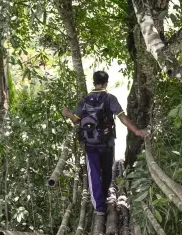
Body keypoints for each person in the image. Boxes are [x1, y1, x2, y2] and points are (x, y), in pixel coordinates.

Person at [62, 71, 149, 215]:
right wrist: (137, 131)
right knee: (108, 171)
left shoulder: (84, 100)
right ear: (106, 83)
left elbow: (76, 119)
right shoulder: (110, 99)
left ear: (93, 82)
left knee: (94, 174)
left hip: (90, 145)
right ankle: (104, 196)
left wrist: (67, 113)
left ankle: (100, 207)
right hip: (107, 143)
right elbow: (122, 118)